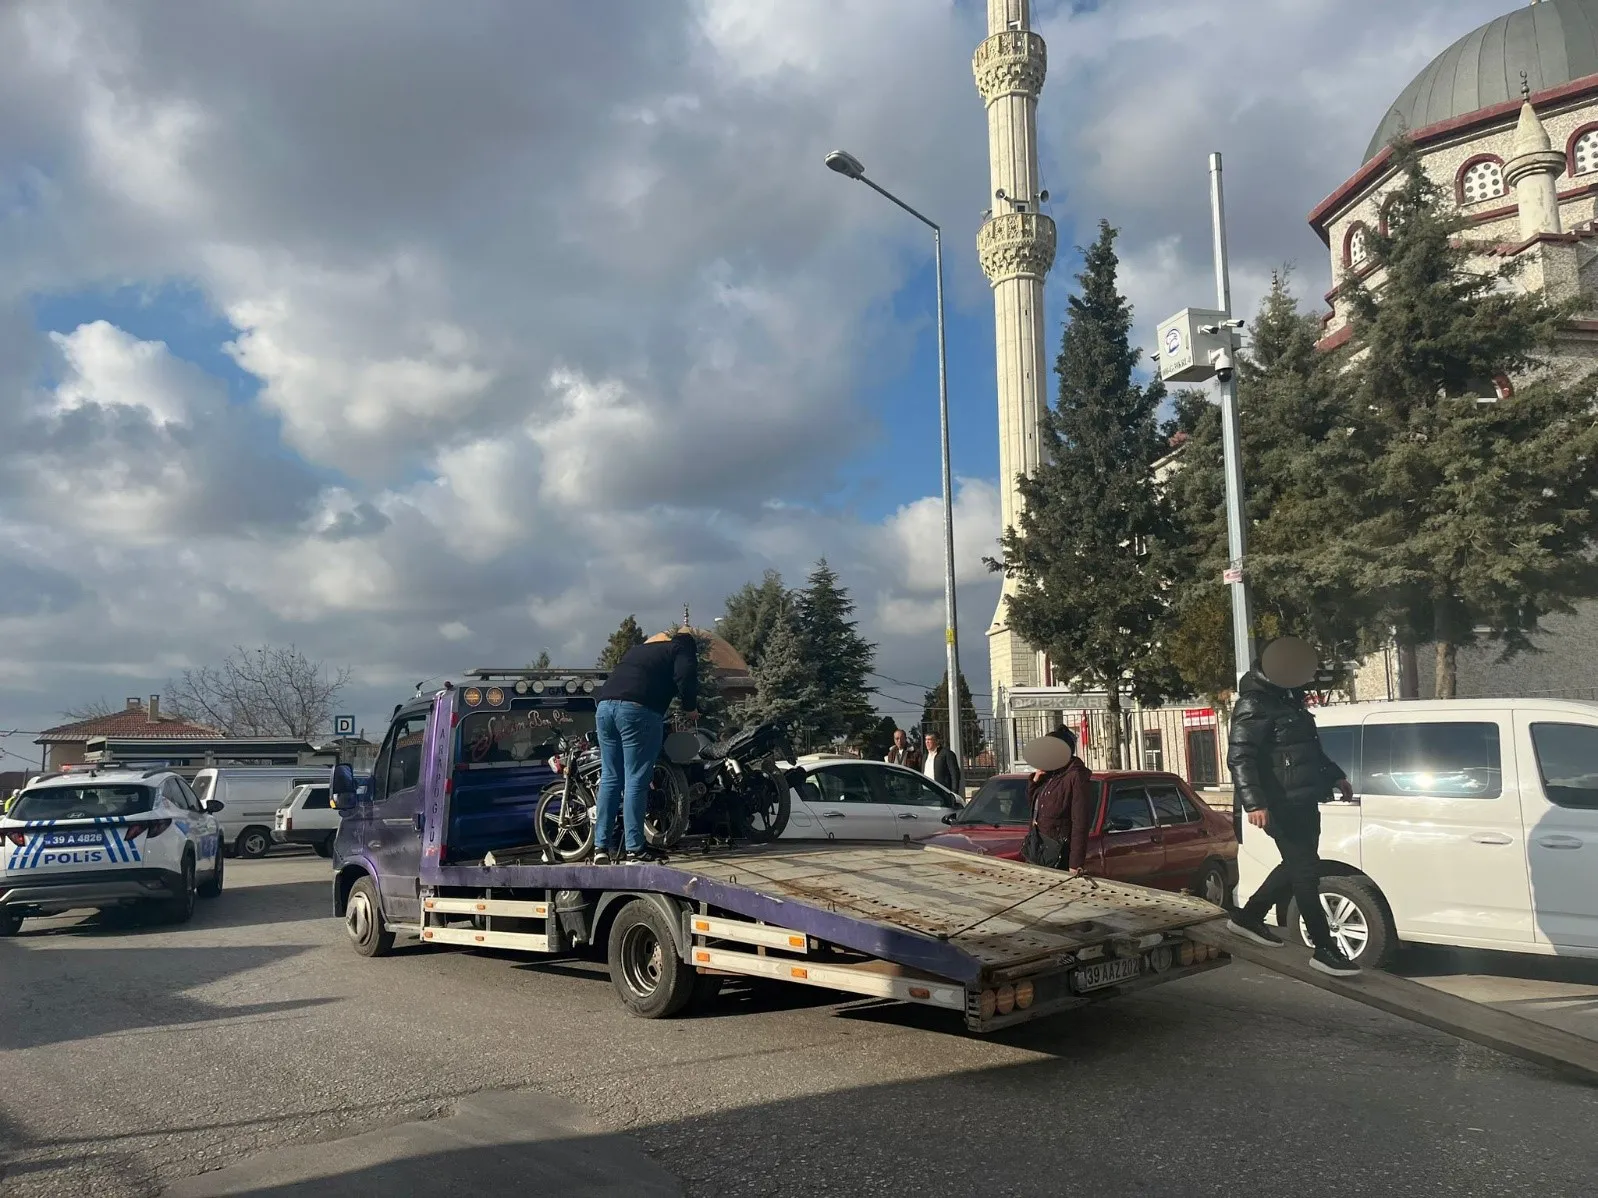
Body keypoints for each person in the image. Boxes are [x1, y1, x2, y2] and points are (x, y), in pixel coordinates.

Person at [1226, 636, 1360, 977]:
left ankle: (1249, 916)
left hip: (1304, 800)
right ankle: (1324, 949)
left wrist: (1336, 776)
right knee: (1306, 873)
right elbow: (1240, 757)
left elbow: (1309, 750)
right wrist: (1254, 803)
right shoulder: (1254, 703)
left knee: (1299, 864)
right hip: (1278, 804)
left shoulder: (1289, 700)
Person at [592, 632, 698, 864]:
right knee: (636, 779)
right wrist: (690, 707)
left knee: (610, 778)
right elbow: (686, 674)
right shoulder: (682, 649)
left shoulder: (640, 649)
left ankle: (600, 847)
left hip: (604, 709)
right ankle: (634, 849)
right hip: (637, 712)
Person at [1023, 727, 1093, 874]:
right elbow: (1034, 807)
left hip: (1058, 854)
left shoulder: (1075, 776)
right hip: (1038, 849)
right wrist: (1035, 781)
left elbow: (1080, 821)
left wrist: (1075, 863)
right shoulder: (1050, 775)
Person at [922, 730, 962, 795]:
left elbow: (955, 775)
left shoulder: (947, 754)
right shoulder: (925, 756)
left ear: (937, 741)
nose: (927, 742)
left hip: (942, 793)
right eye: (926, 739)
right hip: (926, 792)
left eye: (929, 739)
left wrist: (954, 792)